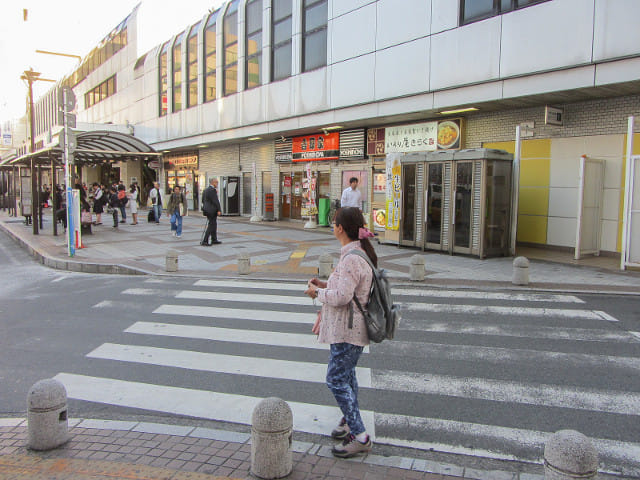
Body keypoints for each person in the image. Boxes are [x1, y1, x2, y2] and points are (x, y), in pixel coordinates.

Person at [304, 207, 375, 458]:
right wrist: (325, 284)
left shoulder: (352, 258)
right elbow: (348, 288)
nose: (332, 227)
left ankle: (361, 435)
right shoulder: (357, 253)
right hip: (351, 329)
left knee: (335, 379)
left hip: (347, 330)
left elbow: (343, 296)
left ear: (341, 228)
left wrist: (317, 293)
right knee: (347, 377)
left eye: (333, 223)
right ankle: (349, 423)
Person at [201, 177, 221, 245]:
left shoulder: (206, 190)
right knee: (211, 225)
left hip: (207, 209)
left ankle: (214, 239)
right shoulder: (212, 190)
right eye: (216, 182)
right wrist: (219, 209)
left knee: (213, 224)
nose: (217, 184)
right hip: (212, 210)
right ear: (212, 182)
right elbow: (215, 201)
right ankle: (205, 240)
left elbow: (203, 200)